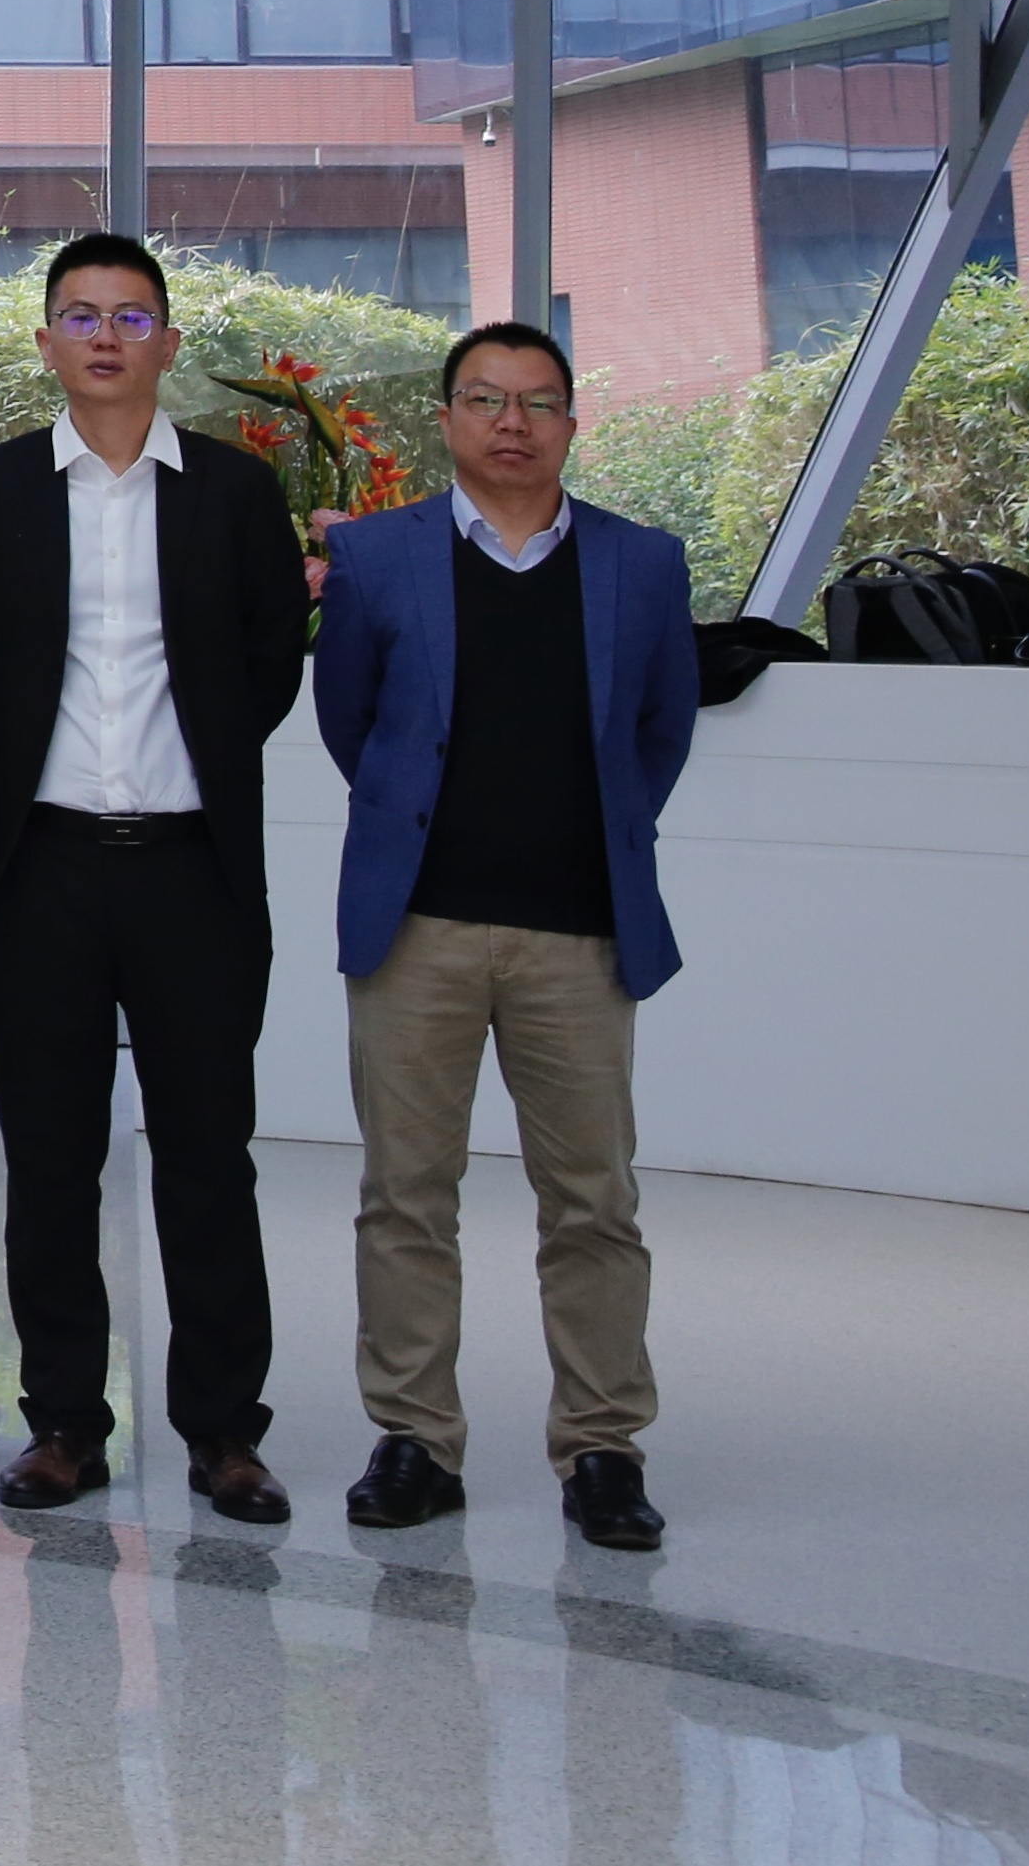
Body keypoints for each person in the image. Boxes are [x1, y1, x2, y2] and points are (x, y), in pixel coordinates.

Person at [0, 234, 314, 1524]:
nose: (105, 336)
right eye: (81, 315)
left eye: (130, 315)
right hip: (37, 867)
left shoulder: (234, 490)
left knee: (207, 1155)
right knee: (49, 1162)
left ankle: (224, 1432)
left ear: (166, 340)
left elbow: (268, 663)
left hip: (191, 872)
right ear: (45, 341)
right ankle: (61, 1423)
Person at [313, 319, 700, 1553]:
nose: (512, 422)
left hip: (577, 935)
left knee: (593, 1201)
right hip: (416, 926)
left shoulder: (643, 563)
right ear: (446, 420)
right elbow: (350, 721)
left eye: (538, 401)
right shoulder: (375, 555)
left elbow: (659, 732)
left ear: (571, 422)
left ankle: (602, 1446)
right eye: (485, 398)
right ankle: (414, 1438)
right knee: (404, 1197)